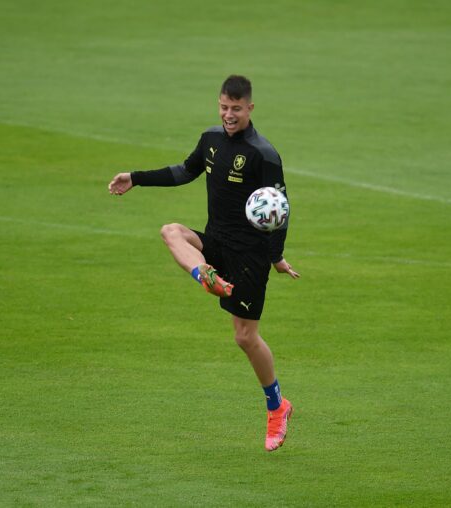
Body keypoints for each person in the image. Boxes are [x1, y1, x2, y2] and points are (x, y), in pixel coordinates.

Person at [108, 75, 299, 452]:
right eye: (224, 107)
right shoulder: (210, 139)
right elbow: (184, 171)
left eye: (236, 109)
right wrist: (137, 178)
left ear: (250, 108)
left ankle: (277, 406)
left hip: (249, 256)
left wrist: (275, 256)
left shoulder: (264, 154)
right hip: (216, 244)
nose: (229, 115)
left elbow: (281, 211)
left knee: (245, 337)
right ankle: (204, 275)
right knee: (171, 231)